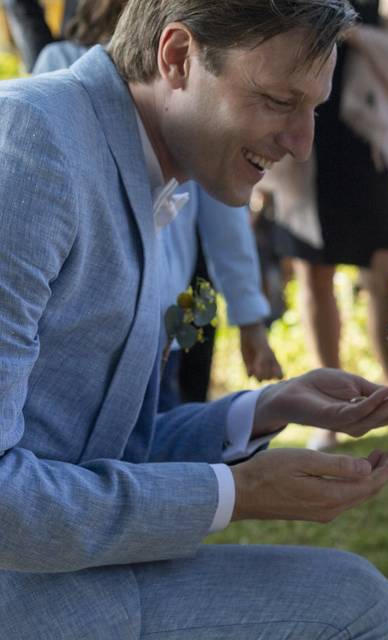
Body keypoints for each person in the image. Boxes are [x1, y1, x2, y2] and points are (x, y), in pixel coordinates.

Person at [0, 0, 388, 636]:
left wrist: (262, 410)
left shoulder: (126, 156)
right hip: (26, 588)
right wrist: (239, 494)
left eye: (312, 108)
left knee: (359, 594)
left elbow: (100, 446)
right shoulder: (34, 144)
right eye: (281, 101)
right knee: (353, 607)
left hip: (57, 566)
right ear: (178, 58)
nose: (302, 141)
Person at [32, 0, 284, 407]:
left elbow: (225, 220)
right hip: (84, 320)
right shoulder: (61, 71)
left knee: (157, 426)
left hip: (162, 313)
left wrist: (249, 315)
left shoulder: (192, 103)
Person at [265, 0, 388, 451]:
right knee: (312, 275)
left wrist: (353, 34)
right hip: (306, 143)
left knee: (383, 276)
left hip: (367, 144)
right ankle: (329, 416)